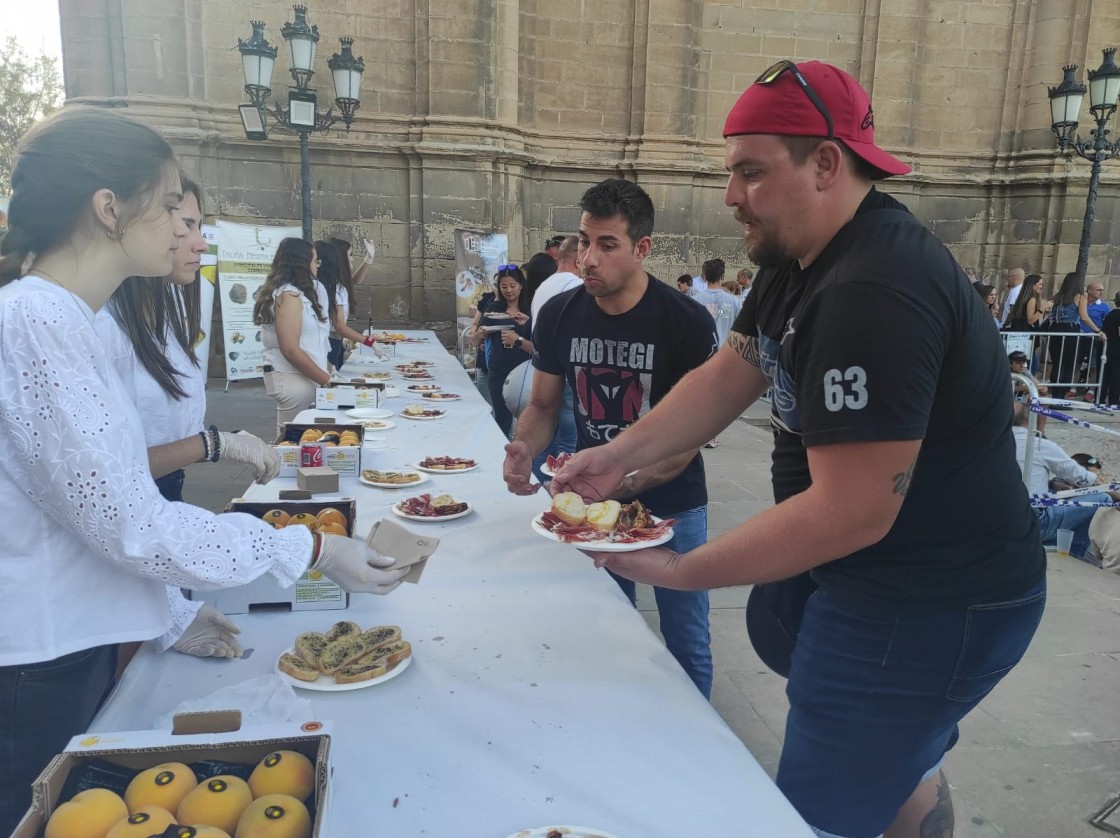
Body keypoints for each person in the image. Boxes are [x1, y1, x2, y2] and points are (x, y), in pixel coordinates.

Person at [549, 61, 1045, 837]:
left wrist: (681, 570)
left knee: (815, 814)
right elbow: (727, 375)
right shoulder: (801, 256)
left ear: (825, 162)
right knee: (896, 761)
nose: (729, 195)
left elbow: (851, 513)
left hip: (930, 601)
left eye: (750, 171)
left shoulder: (874, 286)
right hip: (884, 584)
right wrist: (620, 457)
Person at [0, 107, 408, 834]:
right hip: (39, 659)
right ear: (108, 209)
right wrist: (311, 546)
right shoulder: (38, 321)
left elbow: (103, 505)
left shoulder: (61, 318)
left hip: (68, 642)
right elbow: (130, 523)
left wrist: (172, 612)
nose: (185, 229)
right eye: (167, 208)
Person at [503, 178, 718, 698]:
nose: (587, 259)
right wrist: (523, 448)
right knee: (606, 624)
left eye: (607, 244)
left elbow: (687, 439)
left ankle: (697, 755)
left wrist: (620, 484)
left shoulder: (684, 321)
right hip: (595, 506)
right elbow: (542, 406)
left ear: (642, 249)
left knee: (686, 637)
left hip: (673, 507)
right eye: (582, 241)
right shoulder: (559, 313)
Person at [1012, 403, 1114, 561]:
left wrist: (1052, 484)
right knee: (1102, 499)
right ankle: (1074, 555)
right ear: (1032, 418)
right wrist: (1114, 491)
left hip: (1001, 518)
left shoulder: (996, 443)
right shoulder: (1039, 445)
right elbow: (1085, 479)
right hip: (1033, 523)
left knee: (1057, 490)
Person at [254, 238, 334, 436]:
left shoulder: (296, 294)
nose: (317, 267)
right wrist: (327, 381)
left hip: (306, 377)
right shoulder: (288, 295)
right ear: (302, 263)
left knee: (301, 442)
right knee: (291, 444)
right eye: (315, 261)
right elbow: (290, 349)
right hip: (293, 380)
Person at [529, 235, 583, 479]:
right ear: (578, 259)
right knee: (568, 437)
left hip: (543, 367)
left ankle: (539, 478)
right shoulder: (573, 285)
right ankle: (561, 485)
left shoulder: (545, 285)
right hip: (566, 372)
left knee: (545, 431)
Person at [470, 265, 533, 437]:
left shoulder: (530, 310)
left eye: (513, 286)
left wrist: (517, 339)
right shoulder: (493, 309)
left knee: (527, 420)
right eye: (504, 287)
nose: (509, 291)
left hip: (524, 372)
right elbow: (475, 341)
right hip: (498, 370)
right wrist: (481, 333)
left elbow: (538, 348)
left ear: (521, 285)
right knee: (502, 419)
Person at [313, 239, 383, 369]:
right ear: (340, 258)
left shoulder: (332, 283)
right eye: (350, 254)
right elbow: (339, 326)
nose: (352, 258)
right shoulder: (334, 287)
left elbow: (353, 281)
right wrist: (369, 342)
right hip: (330, 341)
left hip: (333, 339)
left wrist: (368, 260)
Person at [1047, 271, 1101, 400]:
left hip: (1055, 330)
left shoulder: (1057, 297)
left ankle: (1055, 395)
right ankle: (1060, 397)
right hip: (1070, 331)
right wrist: (1097, 330)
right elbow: (1084, 317)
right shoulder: (1080, 297)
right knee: (1069, 365)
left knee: (1057, 364)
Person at [1100, 292, 1120, 404]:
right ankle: (1114, 401)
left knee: (1106, 375)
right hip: (1116, 350)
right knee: (1115, 376)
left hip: (1108, 348)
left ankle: (1101, 398)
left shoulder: (1111, 314)